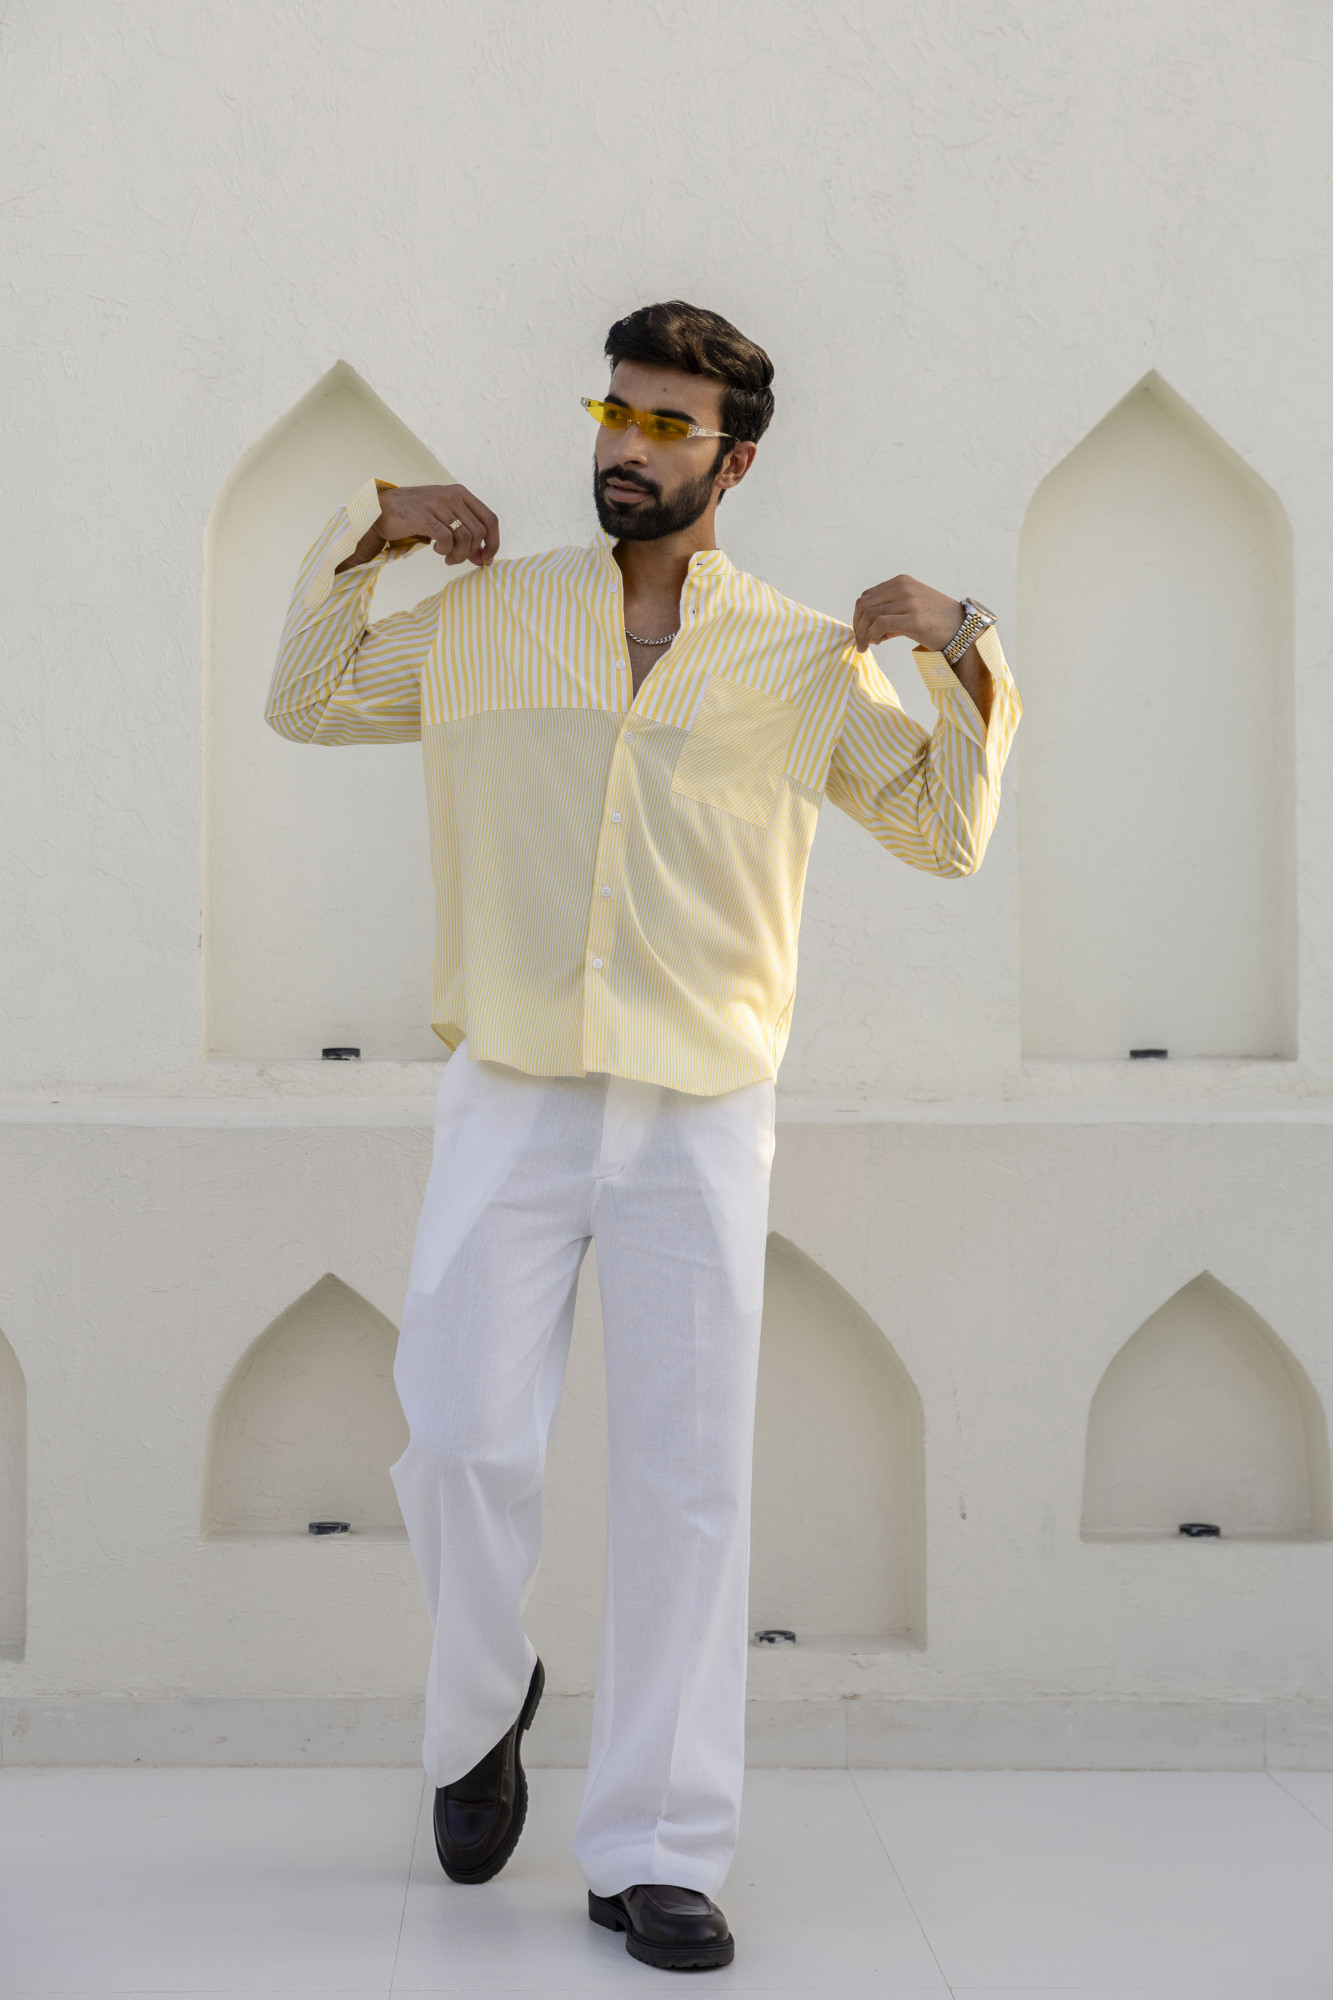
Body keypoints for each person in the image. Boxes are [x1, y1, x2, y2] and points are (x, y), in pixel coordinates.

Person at [264, 300, 1020, 1973]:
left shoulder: (797, 654)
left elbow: (942, 829)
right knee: (460, 1437)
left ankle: (658, 1845)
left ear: (732, 461)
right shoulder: (489, 618)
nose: (625, 444)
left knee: (685, 1487)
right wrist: (373, 528)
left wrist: (958, 645)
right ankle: (482, 1705)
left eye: (667, 427)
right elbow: (305, 700)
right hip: (511, 1091)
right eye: (615, 412)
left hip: (699, 1108)